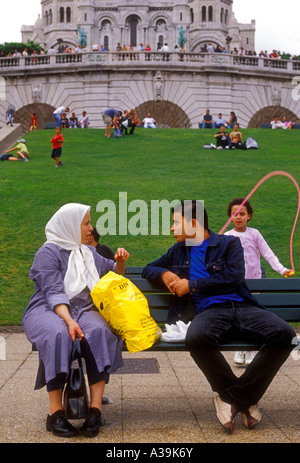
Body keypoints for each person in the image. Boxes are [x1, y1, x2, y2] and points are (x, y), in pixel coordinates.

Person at [142, 200, 296, 433]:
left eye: (175, 223)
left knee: (284, 334)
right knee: (196, 338)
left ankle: (230, 397)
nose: (172, 229)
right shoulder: (178, 251)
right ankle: (246, 401)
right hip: (210, 312)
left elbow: (233, 278)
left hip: (242, 306)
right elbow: (147, 268)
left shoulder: (228, 244)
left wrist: (191, 285)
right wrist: (163, 272)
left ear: (193, 223)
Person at [22, 203, 129, 437]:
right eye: (86, 223)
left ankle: (95, 411)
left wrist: (120, 260)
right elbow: (52, 292)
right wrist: (69, 321)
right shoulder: (48, 252)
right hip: (48, 309)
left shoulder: (87, 251)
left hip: (84, 309)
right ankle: (55, 413)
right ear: (70, 225)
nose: (91, 228)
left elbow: (112, 272)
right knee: (58, 333)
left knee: (99, 331)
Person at [224, 197, 293, 366]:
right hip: (235, 284)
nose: (238, 217)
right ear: (230, 216)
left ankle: (250, 349)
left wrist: (282, 269)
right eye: (235, 214)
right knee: (238, 316)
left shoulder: (254, 234)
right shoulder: (226, 236)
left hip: (254, 283)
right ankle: (240, 349)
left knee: (252, 316)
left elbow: (268, 254)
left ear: (249, 216)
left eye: (242, 214)